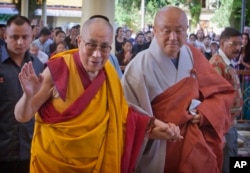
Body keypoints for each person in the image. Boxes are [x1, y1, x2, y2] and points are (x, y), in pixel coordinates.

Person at [14, 15, 183, 172]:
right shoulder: (58, 70)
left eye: (104, 47)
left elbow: (123, 119)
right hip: (55, 166)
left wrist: (160, 127)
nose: (97, 54)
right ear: (79, 41)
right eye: (91, 45)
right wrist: (28, 96)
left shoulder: (109, 74)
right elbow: (22, 116)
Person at [121, 6, 235, 173]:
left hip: (193, 142)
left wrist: (204, 114)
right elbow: (127, 114)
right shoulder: (138, 66)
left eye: (179, 31)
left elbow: (219, 92)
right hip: (158, 148)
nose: (173, 38)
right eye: (166, 31)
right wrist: (153, 129)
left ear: (187, 30)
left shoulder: (192, 54)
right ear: (155, 30)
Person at [0, 15, 44, 173]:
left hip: (31, 148)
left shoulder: (38, 65)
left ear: (32, 36)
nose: (20, 42)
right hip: (3, 150)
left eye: (25, 37)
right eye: (14, 37)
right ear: (5, 35)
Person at [209, 27, 243, 173]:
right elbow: (214, 98)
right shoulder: (217, 64)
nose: (238, 48)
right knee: (227, 163)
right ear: (222, 43)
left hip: (230, 123)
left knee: (234, 161)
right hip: (223, 125)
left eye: (240, 44)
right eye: (234, 43)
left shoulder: (227, 61)